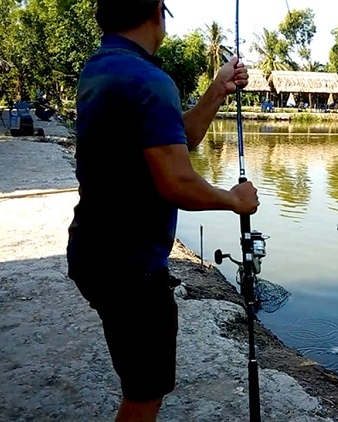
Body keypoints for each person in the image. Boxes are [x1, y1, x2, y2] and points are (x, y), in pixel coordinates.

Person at [65, 1, 258, 421]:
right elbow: (178, 183)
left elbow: (180, 135)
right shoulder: (149, 79)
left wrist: (218, 89)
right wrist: (234, 200)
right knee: (144, 394)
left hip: (92, 249)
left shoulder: (103, 67)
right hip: (128, 267)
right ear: (157, 11)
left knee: (140, 379)